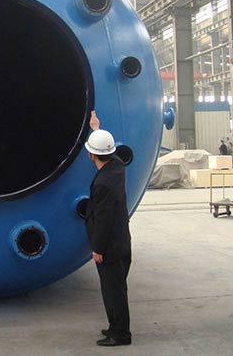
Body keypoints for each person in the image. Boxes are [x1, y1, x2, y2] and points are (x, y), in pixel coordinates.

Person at [85, 111, 132, 347]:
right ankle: (116, 326)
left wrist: (97, 249)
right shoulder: (117, 168)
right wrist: (97, 129)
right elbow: (109, 153)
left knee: (113, 292)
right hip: (122, 240)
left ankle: (120, 334)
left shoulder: (103, 184)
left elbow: (103, 220)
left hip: (110, 247)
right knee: (117, 288)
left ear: (92, 154)